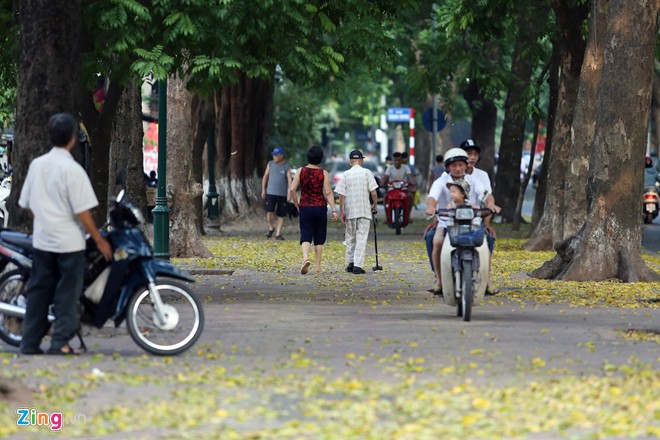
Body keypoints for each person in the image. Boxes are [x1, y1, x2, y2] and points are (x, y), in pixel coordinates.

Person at [18, 113, 113, 355]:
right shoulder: (73, 170)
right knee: (67, 294)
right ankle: (60, 342)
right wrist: (100, 240)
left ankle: (29, 343)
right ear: (73, 139)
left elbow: (27, 204)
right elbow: (83, 212)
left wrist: (44, 219)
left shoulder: (37, 165)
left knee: (39, 292)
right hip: (69, 243)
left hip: (42, 240)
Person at [425, 148, 498, 295]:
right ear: (447, 167)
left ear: (466, 165)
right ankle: (439, 280)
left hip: (473, 223)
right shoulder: (441, 181)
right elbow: (433, 197)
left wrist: (491, 204)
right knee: (437, 242)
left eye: (460, 165)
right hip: (447, 222)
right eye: (454, 165)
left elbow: (486, 194)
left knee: (485, 244)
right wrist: (431, 207)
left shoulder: (474, 180)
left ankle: (487, 280)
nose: (458, 169)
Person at [290, 145, 338, 274]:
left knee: (306, 233)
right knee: (319, 236)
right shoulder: (324, 173)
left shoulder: (301, 171)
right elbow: (328, 192)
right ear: (321, 159)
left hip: (305, 206)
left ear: (308, 157)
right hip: (320, 207)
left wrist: (296, 203)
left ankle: (306, 258)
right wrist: (334, 210)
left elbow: (292, 189)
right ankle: (317, 266)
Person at [460, 139, 499, 295]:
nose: (472, 157)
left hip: (476, 220)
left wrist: (486, 223)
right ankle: (440, 279)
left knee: (488, 239)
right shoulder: (449, 175)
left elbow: (487, 198)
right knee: (433, 238)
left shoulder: (481, 176)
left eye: (475, 154)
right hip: (453, 221)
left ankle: (487, 280)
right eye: (468, 154)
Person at [335, 149, 379, 275]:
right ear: (362, 160)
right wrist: (375, 206)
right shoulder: (367, 173)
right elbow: (374, 192)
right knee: (361, 238)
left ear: (350, 162)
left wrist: (342, 211)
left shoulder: (345, 174)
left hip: (350, 211)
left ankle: (350, 263)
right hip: (364, 211)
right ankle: (358, 266)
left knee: (350, 238)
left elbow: (341, 195)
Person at [261, 146, 292, 240]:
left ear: (281, 156)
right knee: (269, 212)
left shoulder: (287, 165)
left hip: (282, 193)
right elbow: (265, 176)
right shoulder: (270, 164)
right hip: (270, 192)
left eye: (276, 155)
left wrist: (289, 191)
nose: (274, 157)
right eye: (273, 155)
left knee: (281, 214)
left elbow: (290, 178)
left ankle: (278, 233)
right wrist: (263, 189)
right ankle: (271, 227)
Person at [382, 152, 416, 219]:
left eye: (399, 160)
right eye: (395, 160)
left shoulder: (405, 167)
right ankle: (387, 217)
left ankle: (408, 216)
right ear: (393, 160)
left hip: (402, 188)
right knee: (385, 197)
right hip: (391, 188)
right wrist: (382, 183)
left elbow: (410, 176)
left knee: (410, 197)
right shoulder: (390, 168)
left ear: (401, 160)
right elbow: (385, 177)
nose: (397, 162)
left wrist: (413, 182)